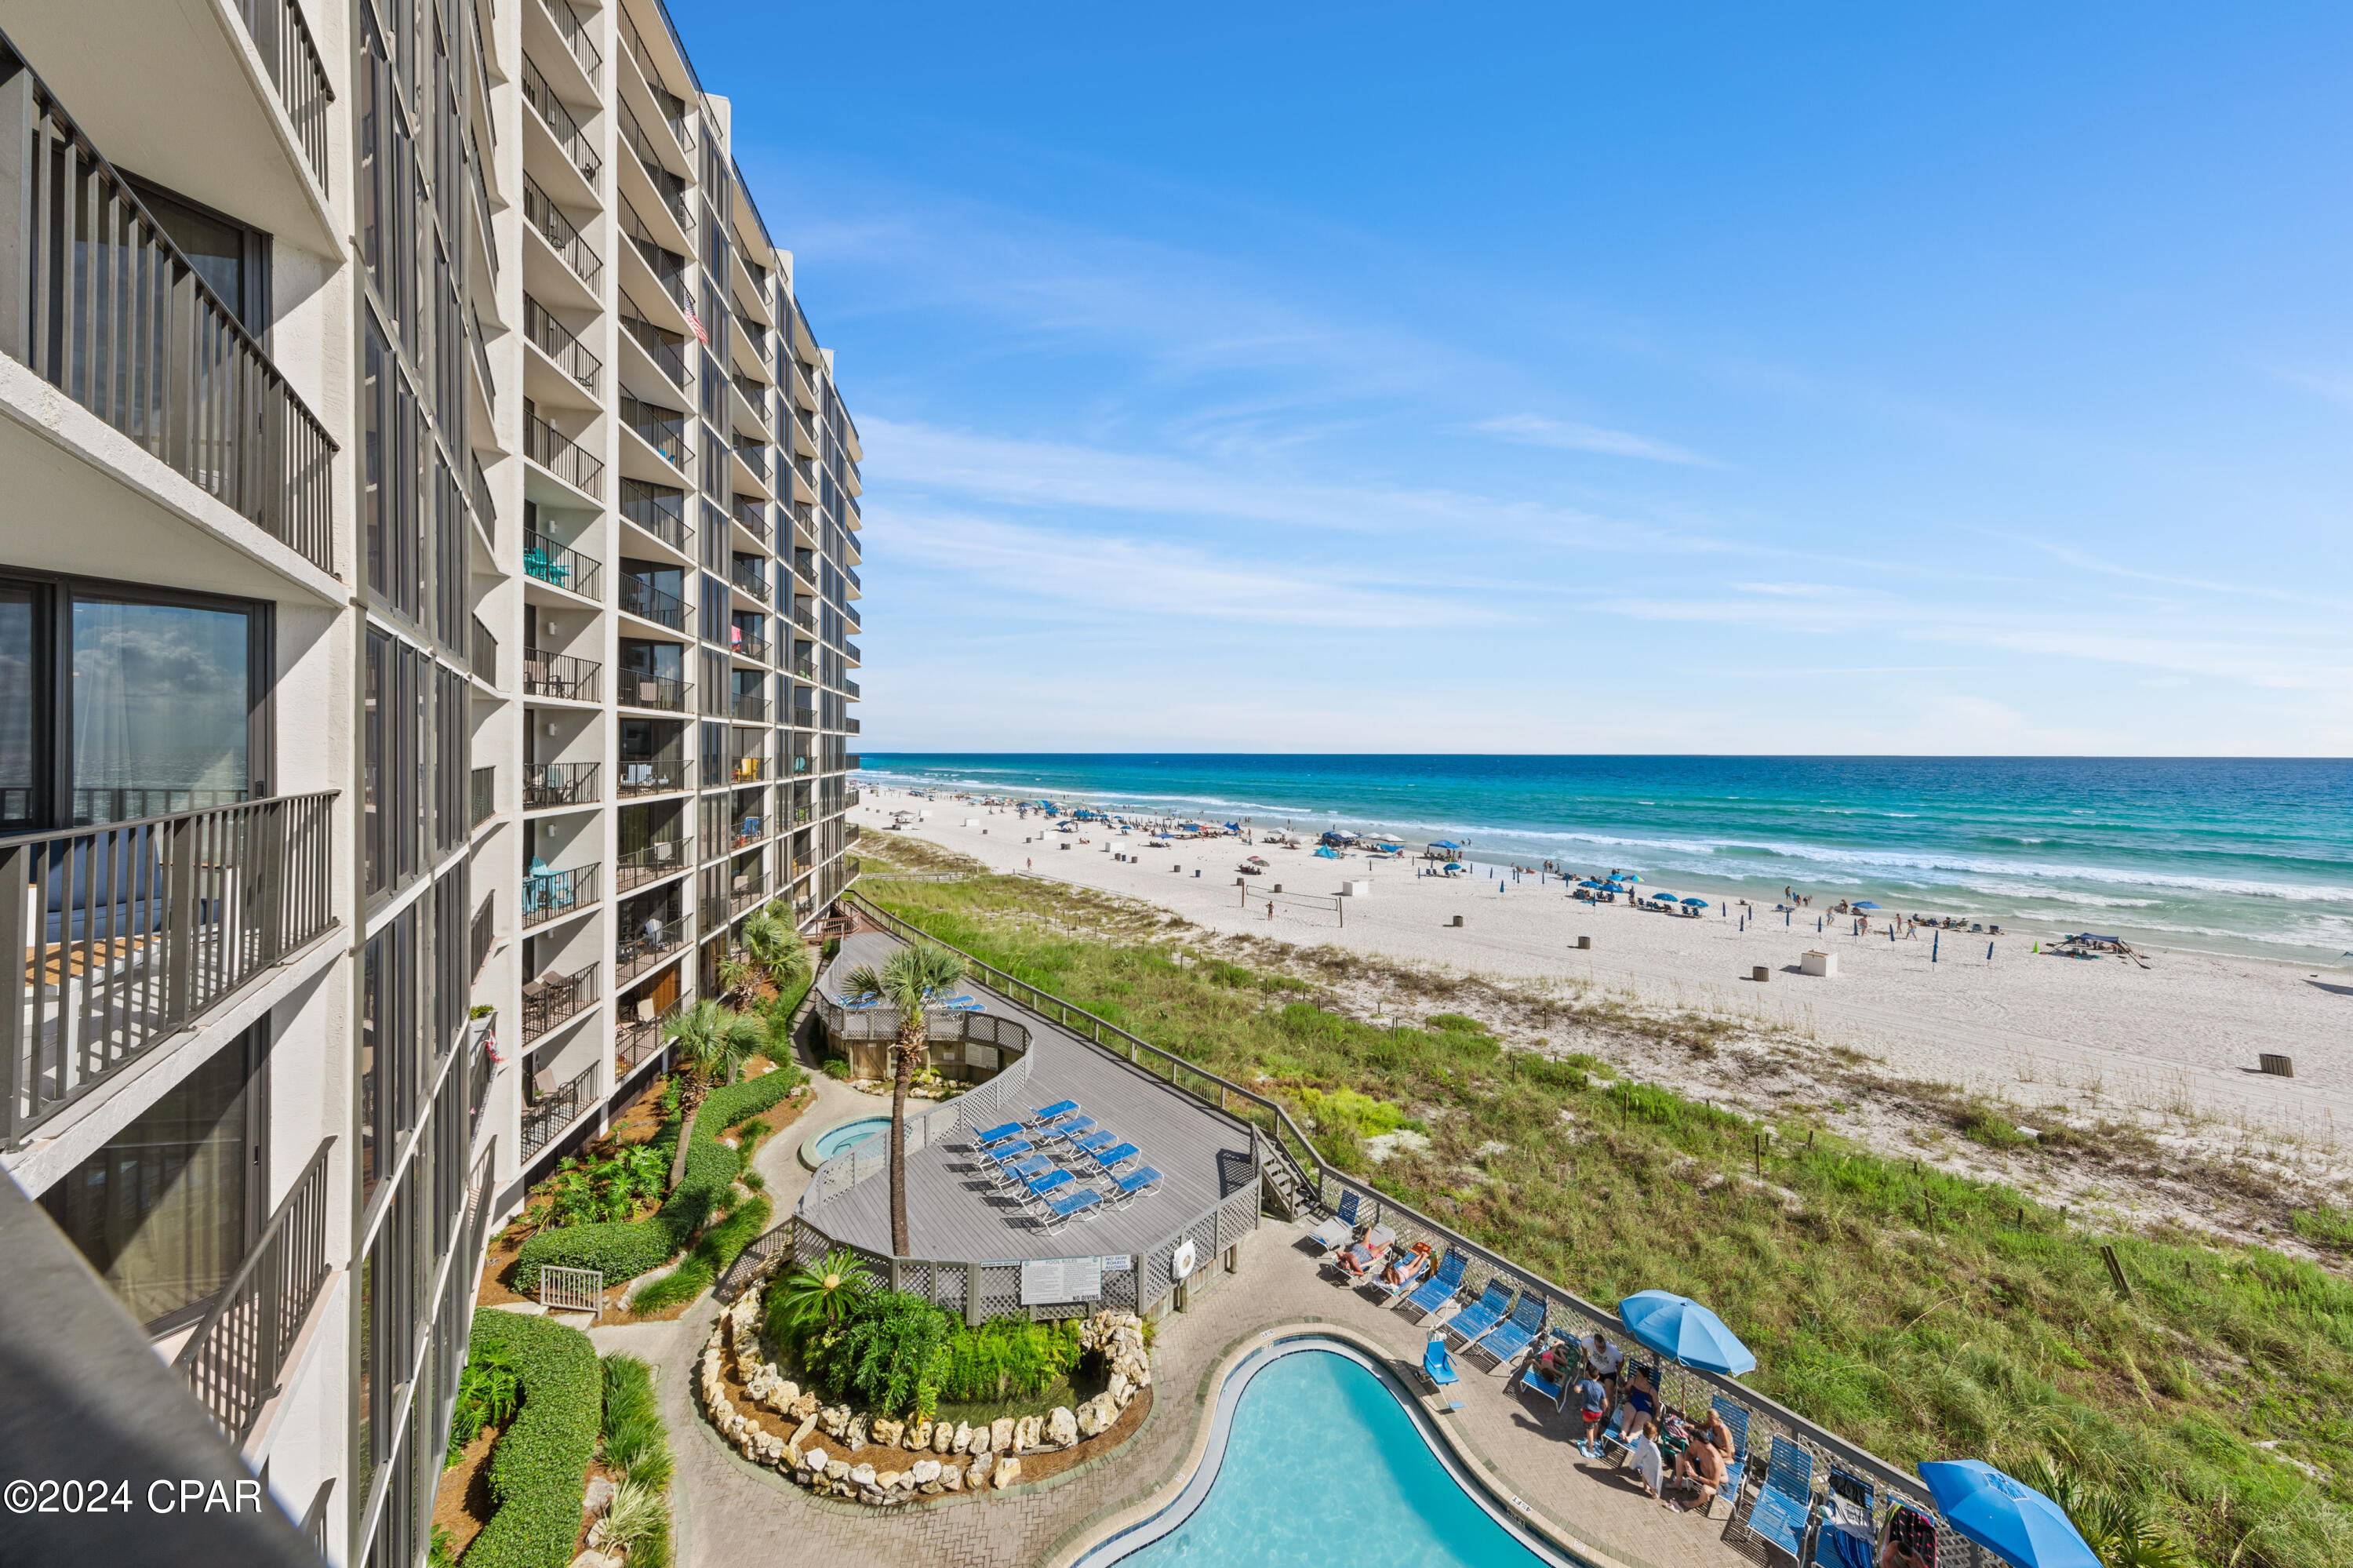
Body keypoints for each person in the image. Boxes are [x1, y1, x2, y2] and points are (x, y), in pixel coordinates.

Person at [1673, 1428, 1727, 1514]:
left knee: (1706, 1489)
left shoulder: (1714, 1459)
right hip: (1703, 1472)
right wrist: (1687, 1463)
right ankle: (1677, 1483)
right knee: (1680, 1457)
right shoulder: (1698, 1444)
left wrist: (1697, 1477)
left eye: (1694, 1439)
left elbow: (1715, 1484)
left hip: (1719, 1483)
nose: (1692, 1441)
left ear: (1698, 1441)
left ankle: (1696, 1503)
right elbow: (1688, 1453)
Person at [1573, 1371, 1611, 1459]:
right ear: (1598, 1377)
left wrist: (1582, 1390)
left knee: (1589, 1429)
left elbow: (1576, 1389)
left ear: (1587, 1374)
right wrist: (1603, 1410)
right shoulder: (1601, 1387)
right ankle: (1594, 1440)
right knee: (1596, 1425)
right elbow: (1606, 1404)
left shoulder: (1584, 1382)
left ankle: (1591, 1448)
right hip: (1598, 1413)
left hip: (1588, 1412)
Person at [1627, 1419, 1665, 1500]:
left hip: (1647, 1461)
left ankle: (1645, 1486)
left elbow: (1640, 1452)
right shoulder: (1652, 1445)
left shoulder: (1642, 1439)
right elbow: (1657, 1457)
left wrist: (1635, 1463)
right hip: (1653, 1463)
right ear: (1652, 1435)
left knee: (1645, 1474)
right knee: (1653, 1479)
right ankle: (1654, 1493)